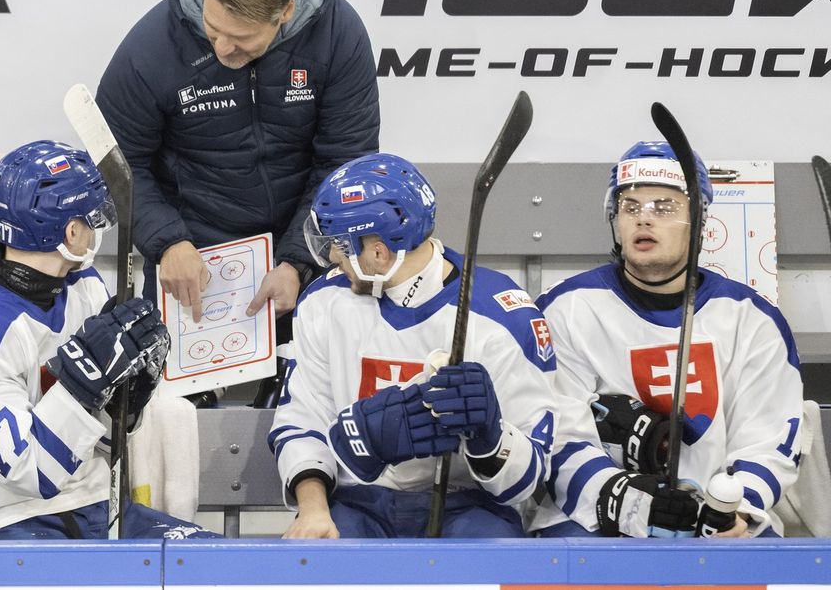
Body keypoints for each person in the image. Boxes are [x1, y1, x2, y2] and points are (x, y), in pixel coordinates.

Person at [96, 0, 380, 405]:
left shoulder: (338, 33)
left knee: (311, 410)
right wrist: (168, 242)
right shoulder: (153, 45)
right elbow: (116, 163)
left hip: (302, 248)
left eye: (242, 38)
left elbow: (344, 163)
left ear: (285, 12)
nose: (223, 48)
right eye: (212, 28)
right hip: (191, 256)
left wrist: (299, 260)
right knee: (177, 423)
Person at [0, 140, 213, 540]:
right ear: (72, 231)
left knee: (212, 565)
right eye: (93, 218)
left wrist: (130, 395)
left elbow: (102, 439)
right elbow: (29, 472)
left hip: (87, 502)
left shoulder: (81, 284)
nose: (98, 227)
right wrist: (83, 384)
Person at [270, 153, 560, 538]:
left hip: (470, 506)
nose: (333, 260)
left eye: (339, 245)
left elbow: (529, 480)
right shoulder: (324, 302)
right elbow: (302, 420)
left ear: (377, 252)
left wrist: (491, 438)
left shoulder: (503, 315)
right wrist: (313, 510)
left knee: (491, 560)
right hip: (359, 501)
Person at [532, 141, 804, 538]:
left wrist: (734, 509)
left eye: (664, 207)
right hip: (597, 515)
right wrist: (633, 506)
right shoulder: (566, 308)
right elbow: (557, 434)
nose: (644, 220)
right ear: (615, 220)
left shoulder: (751, 319)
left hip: (719, 516)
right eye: (630, 207)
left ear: (700, 220)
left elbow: (769, 437)